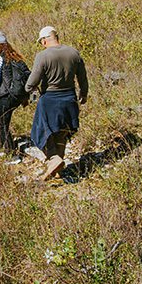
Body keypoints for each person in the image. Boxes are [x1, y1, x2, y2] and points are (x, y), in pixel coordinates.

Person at [26, 26, 88, 181]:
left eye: (41, 42)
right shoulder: (74, 53)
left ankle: (53, 159)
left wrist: (30, 91)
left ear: (44, 40)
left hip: (50, 101)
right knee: (62, 133)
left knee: (41, 133)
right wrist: (83, 94)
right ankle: (57, 171)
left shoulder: (43, 56)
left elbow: (32, 82)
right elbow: (83, 78)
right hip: (69, 99)